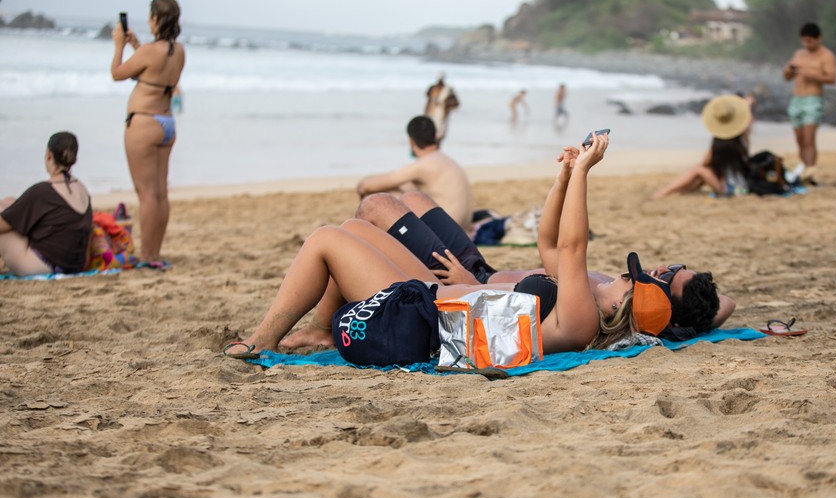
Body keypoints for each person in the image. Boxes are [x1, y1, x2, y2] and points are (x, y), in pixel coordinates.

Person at [225, 132, 643, 359]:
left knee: (324, 240)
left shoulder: (581, 321)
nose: (626, 277)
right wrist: (566, 175)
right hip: (434, 296)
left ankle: (262, 340)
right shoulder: (581, 304)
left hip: (424, 314)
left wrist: (586, 172)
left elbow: (571, 247)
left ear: (616, 314)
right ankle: (319, 332)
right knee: (354, 226)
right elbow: (556, 245)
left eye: (632, 286)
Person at [280, 188, 734, 351]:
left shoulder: (587, 311)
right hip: (480, 272)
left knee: (374, 210)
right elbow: (722, 308)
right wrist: (693, 316)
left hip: (463, 284)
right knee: (413, 200)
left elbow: (569, 246)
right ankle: (339, 289)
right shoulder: (614, 301)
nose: (656, 269)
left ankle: (325, 319)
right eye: (672, 266)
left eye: (664, 277)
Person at [110, 0, 185, 267]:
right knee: (160, 193)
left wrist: (119, 45)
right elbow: (153, 69)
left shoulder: (149, 52)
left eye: (150, 16)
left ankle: (147, 255)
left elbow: (117, 73)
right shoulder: (178, 51)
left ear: (156, 19)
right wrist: (136, 45)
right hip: (166, 123)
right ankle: (154, 253)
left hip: (143, 123)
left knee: (147, 195)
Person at [356, 115, 474, 231]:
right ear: (435, 136)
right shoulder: (444, 159)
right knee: (403, 190)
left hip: (447, 231)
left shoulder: (424, 164)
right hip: (461, 227)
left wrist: (363, 186)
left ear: (411, 141)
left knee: (379, 198)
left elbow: (367, 185)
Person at [1, 132, 92, 276]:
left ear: (49, 155)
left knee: (4, 229)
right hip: (75, 265)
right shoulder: (82, 189)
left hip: (45, 266)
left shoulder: (42, 191)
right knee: (9, 202)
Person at [652, 94, 752, 197]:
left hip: (732, 189)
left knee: (699, 169)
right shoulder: (742, 140)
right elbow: (748, 124)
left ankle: (664, 192)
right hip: (742, 186)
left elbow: (705, 162)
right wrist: (746, 106)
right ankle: (677, 192)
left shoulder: (719, 143)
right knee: (701, 175)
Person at [783, 22, 836, 171]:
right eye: (804, 41)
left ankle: (810, 170)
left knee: (809, 139)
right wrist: (788, 70)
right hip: (797, 99)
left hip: (813, 99)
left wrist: (811, 74)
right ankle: (802, 170)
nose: (807, 44)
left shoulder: (826, 55)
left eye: (810, 41)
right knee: (800, 139)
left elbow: (832, 78)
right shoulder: (799, 54)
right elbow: (787, 77)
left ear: (818, 38)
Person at [424, 73, 459, 142]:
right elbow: (428, 100)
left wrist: (445, 104)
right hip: (432, 113)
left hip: (442, 114)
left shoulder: (447, 89)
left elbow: (456, 103)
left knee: (439, 134)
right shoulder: (433, 88)